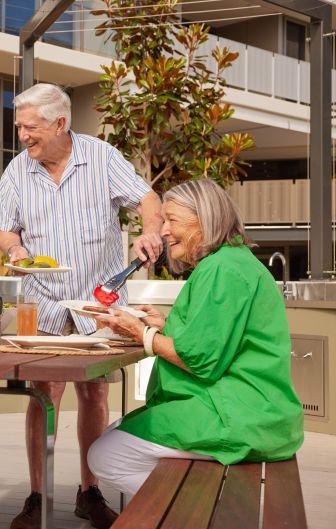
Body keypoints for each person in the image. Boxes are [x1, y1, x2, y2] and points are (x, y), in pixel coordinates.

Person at [0, 83, 163, 529]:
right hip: (43, 301)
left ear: (60, 124)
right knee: (42, 394)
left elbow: (147, 198)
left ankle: (90, 491)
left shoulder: (101, 158)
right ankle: (37, 497)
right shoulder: (16, 171)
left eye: (30, 128)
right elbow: (6, 231)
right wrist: (14, 253)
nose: (23, 136)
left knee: (96, 392)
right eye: (19, 127)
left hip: (98, 301)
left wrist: (149, 231)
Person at [88, 178, 304, 496]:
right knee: (117, 432)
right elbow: (215, 337)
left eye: (171, 220)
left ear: (203, 218)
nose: (163, 231)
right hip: (250, 409)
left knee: (105, 455)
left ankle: (197, 512)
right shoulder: (229, 263)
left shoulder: (221, 269)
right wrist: (163, 326)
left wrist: (142, 333)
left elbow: (200, 360)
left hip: (238, 415)